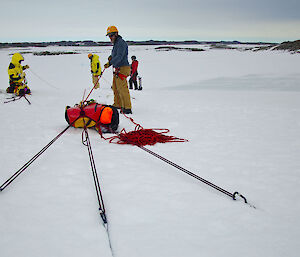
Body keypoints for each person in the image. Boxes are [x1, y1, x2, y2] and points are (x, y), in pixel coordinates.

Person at [104, 26, 132, 114]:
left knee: (122, 89)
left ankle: (127, 107)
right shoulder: (116, 43)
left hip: (123, 68)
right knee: (115, 88)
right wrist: (111, 57)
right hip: (118, 69)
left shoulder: (121, 43)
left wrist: (110, 63)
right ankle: (118, 104)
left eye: (111, 36)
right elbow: (115, 55)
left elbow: (119, 57)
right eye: (109, 36)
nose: (110, 38)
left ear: (116, 34)